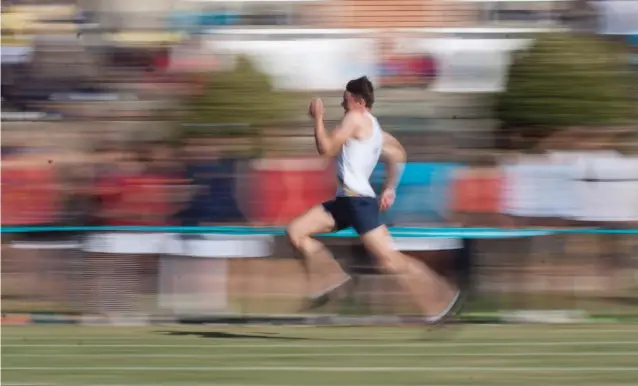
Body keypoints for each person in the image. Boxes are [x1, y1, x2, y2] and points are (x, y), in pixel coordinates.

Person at [286, 76, 461, 323]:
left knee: (392, 262)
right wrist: (390, 188)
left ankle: (442, 296)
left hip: (358, 204)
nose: (341, 103)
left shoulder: (354, 118)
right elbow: (398, 153)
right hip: (343, 203)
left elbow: (325, 149)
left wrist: (317, 119)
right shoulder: (377, 129)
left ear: (358, 102)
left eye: (345, 99)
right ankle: (332, 278)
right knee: (296, 231)